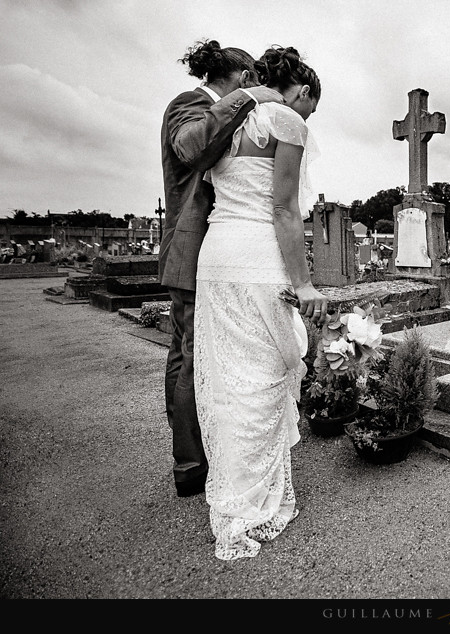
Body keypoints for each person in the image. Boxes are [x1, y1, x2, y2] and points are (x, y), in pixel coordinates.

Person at [193, 46, 328, 560]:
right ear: (304, 91)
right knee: (266, 376)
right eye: (313, 105)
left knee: (232, 380)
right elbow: (284, 210)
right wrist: (307, 284)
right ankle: (254, 503)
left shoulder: (228, 118)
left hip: (216, 257)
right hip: (255, 256)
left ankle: (232, 493)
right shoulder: (287, 121)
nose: (311, 116)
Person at [160, 40, 284, 498]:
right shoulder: (189, 103)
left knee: (186, 353)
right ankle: (194, 464)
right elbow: (192, 148)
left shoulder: (215, 107)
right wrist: (250, 100)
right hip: (195, 253)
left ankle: (191, 452)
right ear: (243, 77)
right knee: (195, 360)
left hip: (202, 254)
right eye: (252, 81)